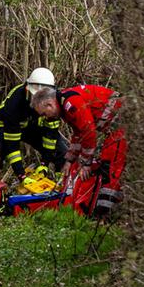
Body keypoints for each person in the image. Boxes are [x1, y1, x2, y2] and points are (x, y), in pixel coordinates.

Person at [56, 82, 126, 216]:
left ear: (49, 103)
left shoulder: (70, 103)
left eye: (44, 112)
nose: (45, 117)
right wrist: (70, 160)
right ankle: (102, 213)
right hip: (115, 127)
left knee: (110, 169)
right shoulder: (66, 103)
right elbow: (79, 133)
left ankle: (104, 216)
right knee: (108, 166)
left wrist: (86, 163)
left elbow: (88, 130)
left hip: (120, 125)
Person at [0, 67, 65, 180]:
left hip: (32, 128)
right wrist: (21, 175)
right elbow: (12, 145)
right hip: (6, 127)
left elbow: (51, 137)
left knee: (61, 152)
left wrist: (44, 165)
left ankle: (61, 184)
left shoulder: (54, 103)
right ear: (27, 89)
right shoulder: (14, 103)